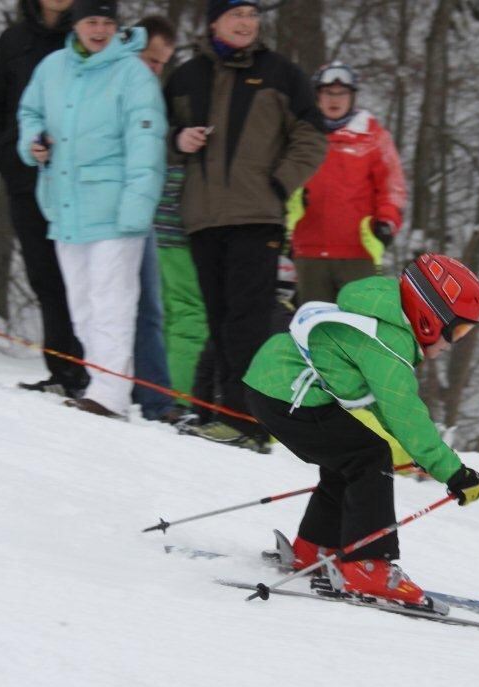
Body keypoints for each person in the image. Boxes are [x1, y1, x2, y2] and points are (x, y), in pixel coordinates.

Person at [242, 253, 479, 605]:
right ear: (429, 318)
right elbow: (405, 414)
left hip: (276, 388)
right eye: (458, 330)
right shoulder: (388, 342)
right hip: (287, 394)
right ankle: (367, 568)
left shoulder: (382, 320)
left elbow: (386, 410)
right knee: (369, 457)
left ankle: (315, 550)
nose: (454, 342)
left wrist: (420, 458)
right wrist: (454, 473)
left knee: (351, 458)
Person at [164, 0, 327, 452]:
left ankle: (250, 425)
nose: (245, 23)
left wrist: (279, 184)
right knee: (217, 320)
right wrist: (177, 140)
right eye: (236, 14)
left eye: (252, 15)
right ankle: (216, 412)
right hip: (202, 218)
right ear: (214, 21)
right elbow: (155, 133)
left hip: (257, 216)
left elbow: (313, 137)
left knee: (248, 322)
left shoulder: (280, 73)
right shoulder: (186, 76)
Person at [17, 0, 167, 419]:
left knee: (112, 303)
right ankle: (98, 382)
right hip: (65, 207)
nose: (98, 30)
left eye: (106, 22)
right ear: (76, 25)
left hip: (117, 211)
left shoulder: (132, 74)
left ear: (117, 27)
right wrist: (33, 140)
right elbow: (29, 112)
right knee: (82, 305)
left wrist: (137, 207)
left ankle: (110, 395)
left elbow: (147, 145)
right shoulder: (52, 67)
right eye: (90, 22)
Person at [0, 0, 89, 398]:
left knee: (81, 278)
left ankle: (95, 372)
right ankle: (62, 372)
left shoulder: (90, 33)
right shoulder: (14, 40)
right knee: (44, 277)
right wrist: (1, 150)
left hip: (79, 182)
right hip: (26, 177)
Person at [288, 61, 407, 304]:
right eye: (328, 93)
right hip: (309, 252)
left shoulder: (373, 138)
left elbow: (391, 188)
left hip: (358, 252)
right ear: (317, 96)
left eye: (342, 93)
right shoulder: (300, 137)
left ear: (352, 97)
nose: (335, 100)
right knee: (314, 330)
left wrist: (386, 222)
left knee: (357, 329)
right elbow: (283, 181)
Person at [130, 15, 188, 424]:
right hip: (104, 218)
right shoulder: (111, 90)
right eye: (148, 60)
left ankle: (155, 400)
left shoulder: (156, 99)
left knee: (151, 308)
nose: (155, 71)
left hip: (146, 218)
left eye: (161, 63)